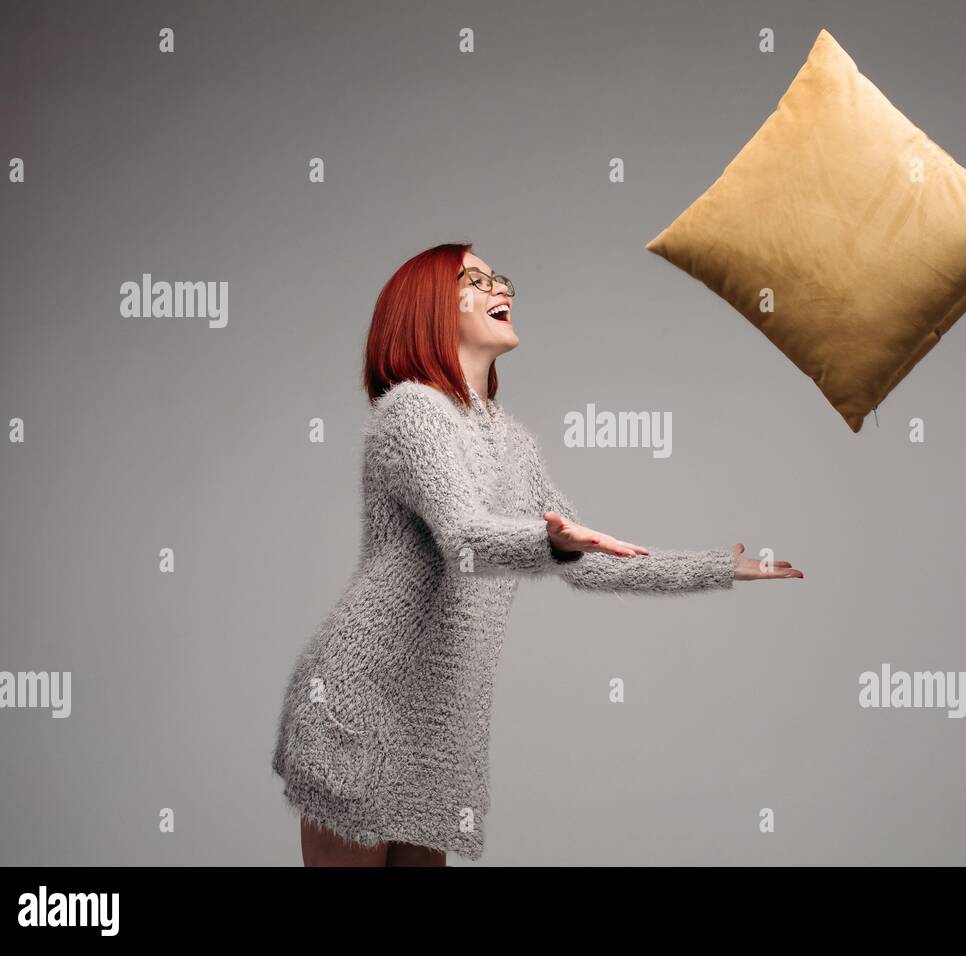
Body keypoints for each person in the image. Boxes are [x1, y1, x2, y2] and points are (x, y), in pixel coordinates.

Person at [272, 242, 802, 866]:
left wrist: (716, 566)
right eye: (477, 278)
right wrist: (548, 542)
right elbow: (464, 536)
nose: (502, 288)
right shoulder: (411, 412)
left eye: (500, 277)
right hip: (365, 706)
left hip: (439, 731)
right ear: (428, 308)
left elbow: (590, 559)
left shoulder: (513, 444)